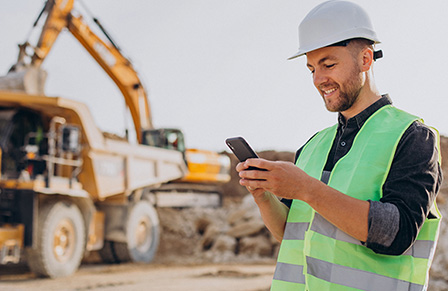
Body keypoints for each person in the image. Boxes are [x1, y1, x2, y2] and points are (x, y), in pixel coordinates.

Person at [236, 1, 442, 290]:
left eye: (328, 64)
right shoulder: (313, 145)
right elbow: (291, 232)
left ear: (366, 60)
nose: (319, 80)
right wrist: (262, 195)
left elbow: (397, 233)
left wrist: (306, 188)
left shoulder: (412, 136)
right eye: (311, 69)